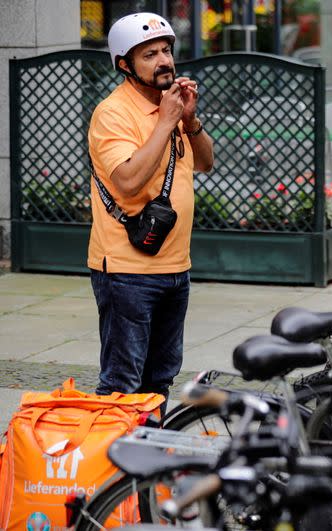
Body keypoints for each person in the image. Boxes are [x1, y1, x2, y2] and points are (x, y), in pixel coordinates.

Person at [87, 12, 214, 407]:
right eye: (149, 55)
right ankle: (112, 465)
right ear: (125, 65)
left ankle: (149, 460)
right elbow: (126, 180)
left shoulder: (172, 106)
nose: (164, 61)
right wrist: (165, 122)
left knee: (160, 377)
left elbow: (206, 162)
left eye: (166, 51)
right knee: (123, 382)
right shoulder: (113, 113)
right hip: (127, 272)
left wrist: (188, 120)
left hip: (176, 268)